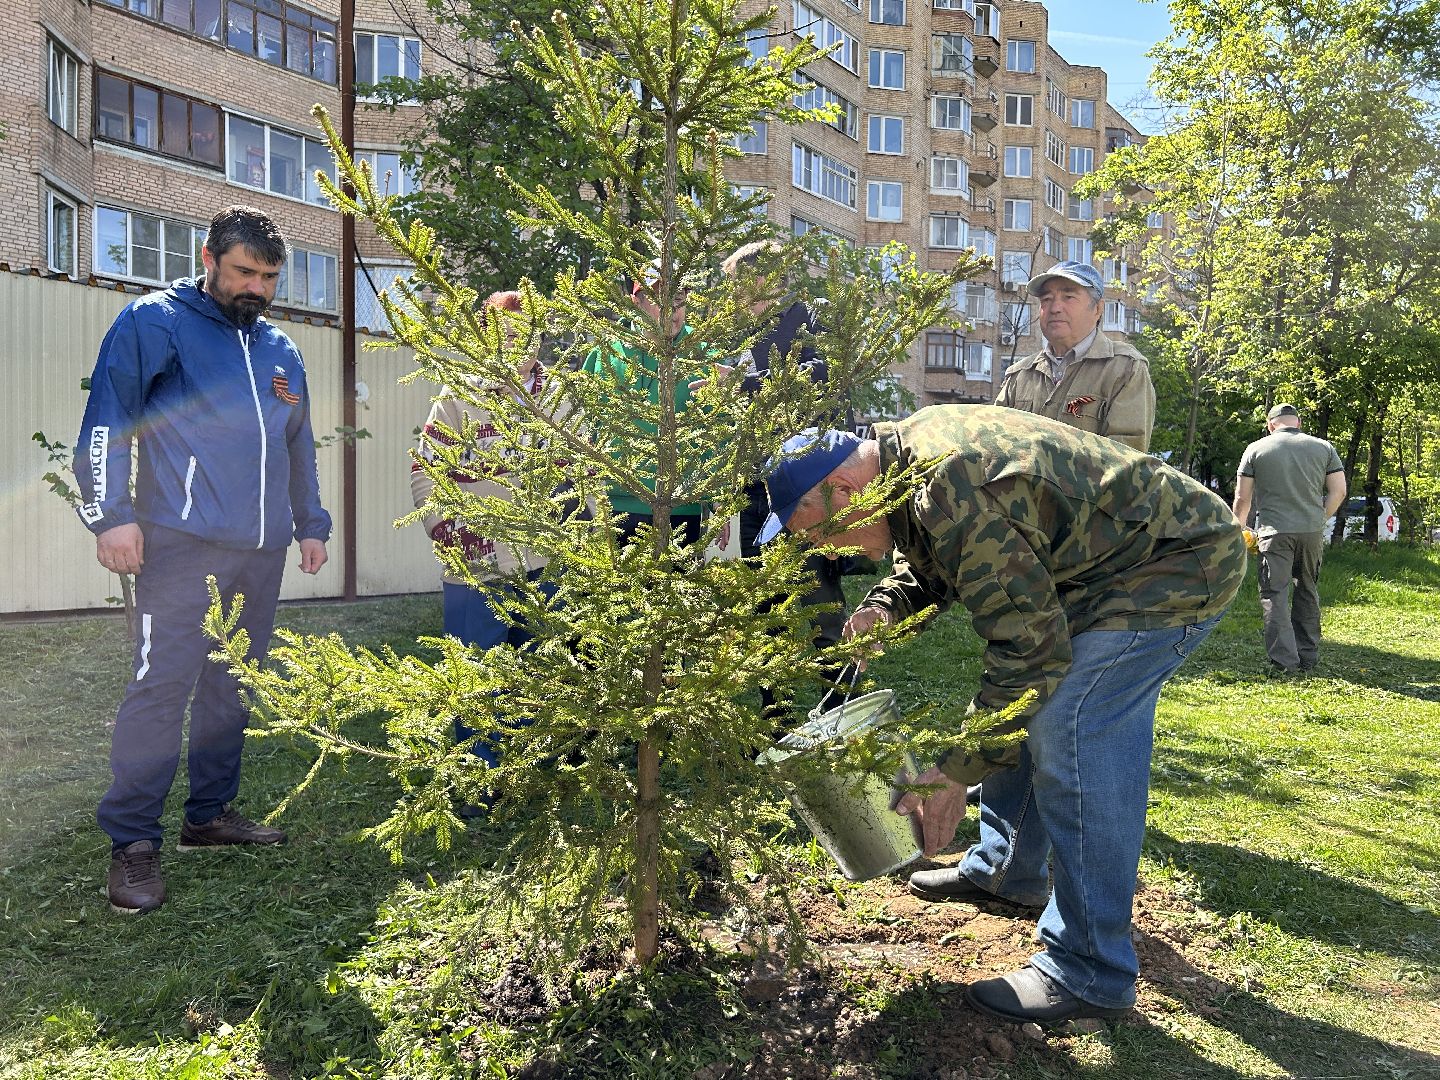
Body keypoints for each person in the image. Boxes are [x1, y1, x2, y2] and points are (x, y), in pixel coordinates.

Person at [757, 406, 1246, 1025]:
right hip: (1097, 567)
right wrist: (886, 606)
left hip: (1173, 563)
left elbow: (1028, 652)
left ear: (847, 492)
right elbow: (934, 551)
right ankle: (1007, 871)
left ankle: (1091, 973)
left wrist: (955, 771)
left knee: (1070, 727)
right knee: (1028, 712)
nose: (826, 552)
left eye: (822, 535)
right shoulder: (902, 463)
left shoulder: (955, 485)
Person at [73, 206, 331, 915]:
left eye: (270, 277)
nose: (258, 287)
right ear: (208, 256)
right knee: (162, 687)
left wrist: (310, 522)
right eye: (245, 271)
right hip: (180, 545)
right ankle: (131, 843)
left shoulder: (281, 348)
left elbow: (297, 444)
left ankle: (208, 816)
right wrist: (110, 515)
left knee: (233, 686)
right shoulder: (153, 322)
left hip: (262, 550)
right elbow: (107, 426)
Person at [410, 290, 557, 780]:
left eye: (528, 332)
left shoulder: (557, 398)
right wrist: (446, 531)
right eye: (505, 331)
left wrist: (584, 535)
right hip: (476, 569)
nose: (518, 342)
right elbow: (424, 473)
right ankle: (477, 778)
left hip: (545, 566)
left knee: (537, 676)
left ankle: (526, 775)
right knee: (476, 679)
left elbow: (585, 473)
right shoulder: (457, 397)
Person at [720, 240, 847, 722]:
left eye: (742, 282)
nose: (736, 294)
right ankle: (776, 717)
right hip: (744, 488)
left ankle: (837, 710)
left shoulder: (806, 321)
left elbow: (819, 380)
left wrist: (743, 383)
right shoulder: (731, 331)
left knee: (817, 601)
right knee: (760, 604)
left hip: (801, 489)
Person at [582, 269, 707, 547]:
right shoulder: (605, 353)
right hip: (612, 505)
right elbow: (585, 422)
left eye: (678, 298)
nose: (671, 310)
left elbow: (720, 425)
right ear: (636, 302)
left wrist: (718, 498)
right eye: (659, 299)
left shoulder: (703, 355)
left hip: (681, 506)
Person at [1231, 403, 1347, 675]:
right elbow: (1339, 491)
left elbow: (1242, 498)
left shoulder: (1256, 449)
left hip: (1273, 533)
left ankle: (1285, 662)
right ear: (1299, 422)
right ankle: (1307, 656)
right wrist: (1319, 519)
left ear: (1271, 424)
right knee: (1307, 589)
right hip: (1311, 532)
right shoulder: (1324, 448)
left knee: (1275, 594)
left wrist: (1241, 530)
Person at [994, 260, 1155, 452]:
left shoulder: (1124, 369)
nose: (1055, 308)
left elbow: (1124, 460)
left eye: (1068, 297)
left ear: (1097, 309)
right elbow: (994, 447)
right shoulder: (1020, 376)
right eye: (1046, 299)